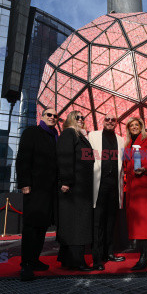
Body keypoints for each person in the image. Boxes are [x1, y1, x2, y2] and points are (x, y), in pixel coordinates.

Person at [16, 108, 59, 281]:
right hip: (34, 187)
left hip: (49, 189)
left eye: (55, 116)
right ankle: (26, 264)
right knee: (31, 226)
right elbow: (23, 158)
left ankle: (34, 260)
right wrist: (24, 183)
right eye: (49, 114)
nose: (52, 117)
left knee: (42, 226)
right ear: (42, 116)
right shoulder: (32, 132)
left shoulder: (55, 135)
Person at [56, 111, 95, 271]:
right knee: (77, 224)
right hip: (73, 186)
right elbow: (65, 157)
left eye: (82, 117)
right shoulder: (69, 133)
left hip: (81, 186)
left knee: (74, 222)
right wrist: (66, 180)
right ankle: (77, 260)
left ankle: (67, 259)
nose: (80, 119)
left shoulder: (80, 136)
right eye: (77, 117)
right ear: (70, 120)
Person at [123, 117, 147, 270]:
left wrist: (145, 168)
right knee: (137, 222)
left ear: (141, 126)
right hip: (133, 187)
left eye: (136, 125)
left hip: (145, 184)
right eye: (131, 125)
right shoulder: (127, 145)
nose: (134, 127)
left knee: (146, 221)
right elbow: (126, 165)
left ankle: (146, 254)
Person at [88, 114, 125, 271]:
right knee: (98, 223)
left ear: (116, 123)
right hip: (99, 183)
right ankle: (97, 258)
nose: (110, 122)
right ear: (102, 122)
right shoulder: (93, 135)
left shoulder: (121, 140)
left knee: (111, 222)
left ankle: (109, 253)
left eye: (113, 120)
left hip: (115, 185)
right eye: (107, 119)